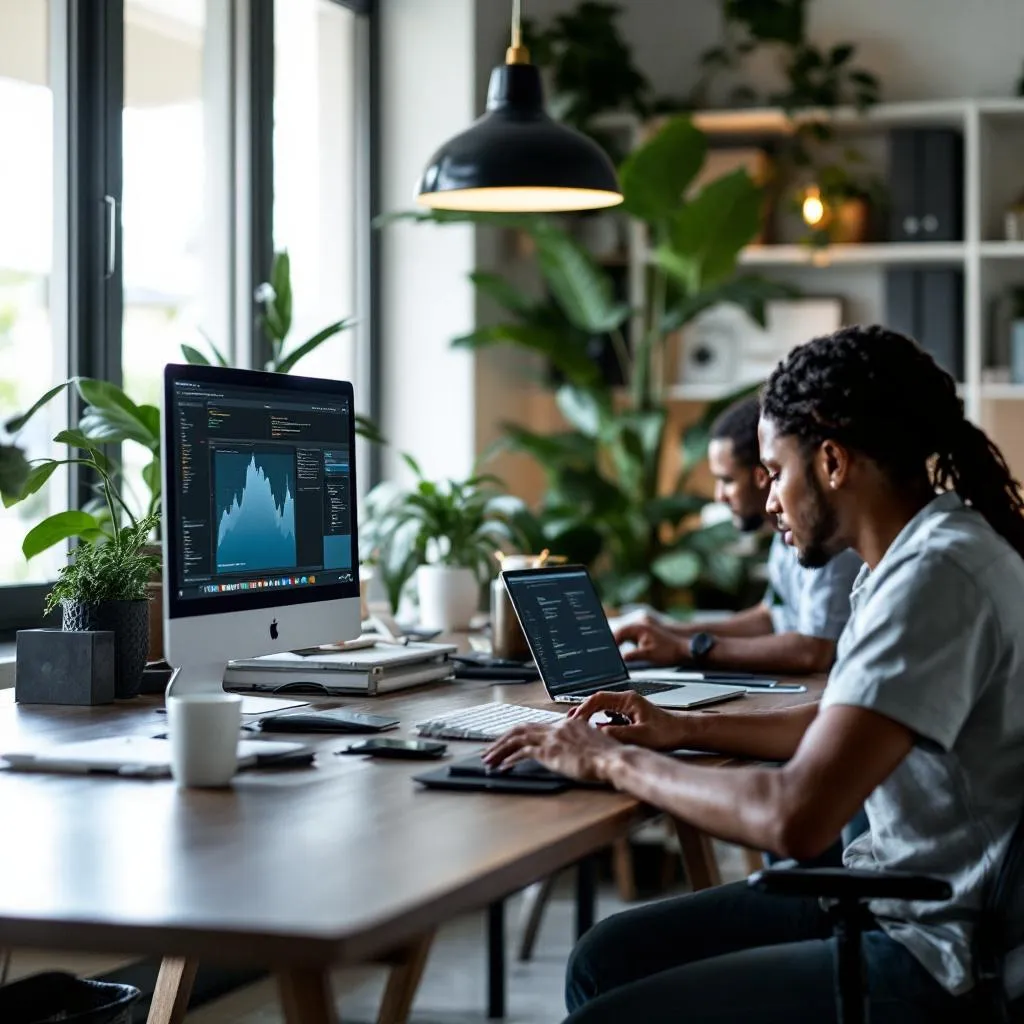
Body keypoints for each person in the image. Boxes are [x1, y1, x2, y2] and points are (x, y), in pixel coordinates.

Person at [483, 325, 1024, 1024]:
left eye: (774, 471)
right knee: (605, 957)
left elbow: (793, 818)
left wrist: (612, 762)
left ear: (832, 461)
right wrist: (675, 726)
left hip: (933, 948)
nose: (766, 500)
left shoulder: (933, 578)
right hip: (891, 895)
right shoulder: (920, 555)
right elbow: (841, 724)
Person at [615, 395, 862, 674]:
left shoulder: (825, 539)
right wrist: (667, 629)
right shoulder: (784, 535)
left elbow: (813, 650)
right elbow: (769, 617)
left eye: (727, 480)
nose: (719, 496)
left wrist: (686, 648)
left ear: (761, 476)